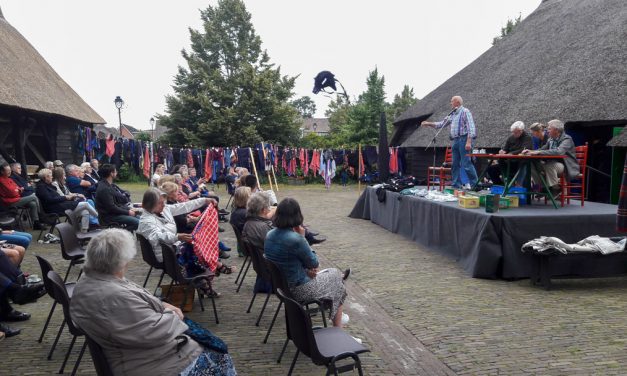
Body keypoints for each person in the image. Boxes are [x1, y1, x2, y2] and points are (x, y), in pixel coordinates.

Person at [69, 229, 236, 376]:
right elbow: (154, 331)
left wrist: (163, 305)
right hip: (155, 363)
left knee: (214, 346)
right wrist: (173, 314)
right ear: (122, 261)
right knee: (220, 358)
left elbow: (139, 311)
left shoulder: (94, 280)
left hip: (143, 354)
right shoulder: (111, 296)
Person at [264, 198, 350, 327]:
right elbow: (314, 263)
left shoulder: (270, 234)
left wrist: (305, 271)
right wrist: (303, 238)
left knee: (334, 275)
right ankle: (338, 327)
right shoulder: (296, 239)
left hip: (281, 287)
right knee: (337, 280)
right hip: (298, 290)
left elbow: (287, 261)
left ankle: (336, 314)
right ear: (297, 215)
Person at [421, 95, 478, 189]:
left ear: (457, 102)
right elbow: (441, 124)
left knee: (466, 163)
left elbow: (471, 127)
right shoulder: (452, 114)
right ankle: (456, 184)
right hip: (455, 140)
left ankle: (475, 185)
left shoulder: (465, 111)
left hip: (464, 139)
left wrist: (468, 142)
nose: (450, 103)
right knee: (455, 164)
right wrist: (429, 123)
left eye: (452, 101)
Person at [522, 119, 580, 197]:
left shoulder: (567, 139)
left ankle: (555, 188)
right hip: (551, 163)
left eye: (549, 129)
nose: (547, 131)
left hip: (565, 165)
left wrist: (539, 152)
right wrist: (531, 151)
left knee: (550, 166)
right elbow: (542, 149)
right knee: (531, 164)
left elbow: (559, 151)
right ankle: (542, 187)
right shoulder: (551, 139)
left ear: (556, 130)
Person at [35, 169, 99, 233]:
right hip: (55, 208)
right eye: (51, 176)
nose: (52, 177)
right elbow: (49, 200)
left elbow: (55, 197)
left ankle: (83, 232)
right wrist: (65, 197)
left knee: (85, 212)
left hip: (59, 205)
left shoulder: (47, 185)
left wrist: (67, 197)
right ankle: (100, 219)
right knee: (85, 204)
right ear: (46, 177)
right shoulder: (41, 187)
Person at [0, 163, 45, 230]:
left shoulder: (9, 179)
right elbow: (13, 192)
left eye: (10, 170)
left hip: (16, 199)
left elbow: (17, 188)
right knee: (34, 197)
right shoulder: (1, 180)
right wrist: (17, 190)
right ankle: (41, 217)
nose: (9, 172)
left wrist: (17, 190)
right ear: (2, 171)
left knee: (33, 204)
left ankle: (36, 223)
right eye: (7, 170)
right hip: (9, 202)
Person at [486, 121, 533, 186]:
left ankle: (513, 186)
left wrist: (511, 153)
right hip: (508, 162)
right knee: (491, 169)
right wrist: (503, 151)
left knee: (522, 166)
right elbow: (506, 148)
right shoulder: (511, 138)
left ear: (521, 131)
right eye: (513, 132)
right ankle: (501, 186)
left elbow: (525, 150)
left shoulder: (527, 138)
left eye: (515, 132)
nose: (514, 134)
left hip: (519, 163)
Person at [95, 164, 139, 231]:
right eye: (115, 171)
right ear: (111, 174)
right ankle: (120, 236)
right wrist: (128, 212)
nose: (116, 173)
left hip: (113, 214)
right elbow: (111, 208)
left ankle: (129, 237)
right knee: (137, 222)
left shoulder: (108, 185)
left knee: (140, 218)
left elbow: (116, 204)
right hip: (109, 217)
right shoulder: (104, 188)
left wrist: (128, 209)